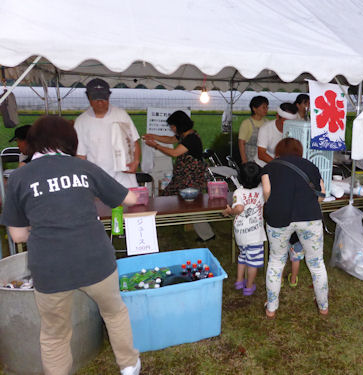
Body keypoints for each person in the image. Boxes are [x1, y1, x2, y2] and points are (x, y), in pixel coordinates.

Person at [0, 116, 141, 375]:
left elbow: (18, 236)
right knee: (114, 313)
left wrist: (43, 222)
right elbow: (129, 197)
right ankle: (129, 366)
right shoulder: (83, 168)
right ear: (70, 142)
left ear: (33, 144)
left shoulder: (19, 177)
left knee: (55, 334)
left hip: (50, 268)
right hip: (95, 259)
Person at [262, 137, 328, 318]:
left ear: (278, 151)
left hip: (278, 218)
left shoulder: (269, 167)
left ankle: (271, 308)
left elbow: (267, 193)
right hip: (309, 218)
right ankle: (323, 306)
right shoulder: (311, 166)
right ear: (299, 151)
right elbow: (321, 195)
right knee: (316, 263)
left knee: (276, 262)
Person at [143, 110, 215, 241]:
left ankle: (207, 235)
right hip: (183, 177)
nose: (171, 129)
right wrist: (153, 136)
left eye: (172, 126)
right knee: (182, 202)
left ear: (179, 125)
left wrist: (156, 145)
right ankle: (158, 225)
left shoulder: (191, 139)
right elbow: (171, 139)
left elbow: (175, 153)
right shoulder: (186, 135)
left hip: (190, 178)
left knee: (192, 206)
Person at [257, 102, 304, 285]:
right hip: (267, 171)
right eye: (285, 122)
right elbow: (261, 154)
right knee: (267, 203)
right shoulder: (266, 129)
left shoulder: (295, 130)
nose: (288, 127)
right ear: (277, 117)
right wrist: (281, 164)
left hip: (287, 172)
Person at [74, 78, 141, 188]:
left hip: (124, 180)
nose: (100, 102)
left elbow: (134, 141)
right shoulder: (81, 122)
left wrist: (136, 161)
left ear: (109, 96)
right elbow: (81, 155)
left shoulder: (121, 115)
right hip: (99, 182)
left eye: (103, 98)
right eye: (96, 98)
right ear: (88, 98)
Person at [222, 162, 266, 296]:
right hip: (254, 235)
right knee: (252, 262)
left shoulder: (238, 192)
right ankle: (248, 286)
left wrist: (230, 211)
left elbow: (239, 208)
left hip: (241, 233)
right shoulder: (262, 189)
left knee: (242, 256)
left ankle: (239, 280)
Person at [238, 96, 269, 164]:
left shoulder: (267, 122)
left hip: (264, 160)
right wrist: (244, 160)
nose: (266, 109)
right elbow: (241, 143)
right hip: (251, 160)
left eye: (267, 107)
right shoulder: (246, 123)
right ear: (254, 108)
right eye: (263, 107)